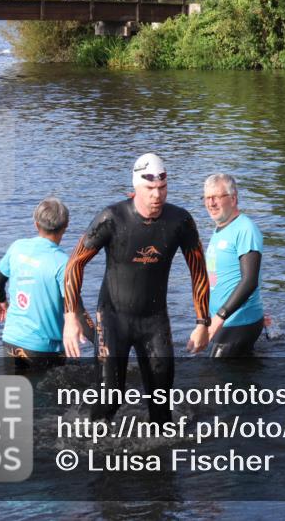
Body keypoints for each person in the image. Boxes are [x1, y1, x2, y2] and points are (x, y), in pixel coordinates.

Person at [63, 153, 211, 424]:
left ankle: (161, 464)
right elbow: (74, 265)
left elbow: (198, 270)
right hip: (112, 319)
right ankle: (90, 447)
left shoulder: (181, 222)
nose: (157, 196)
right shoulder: (112, 218)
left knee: (162, 408)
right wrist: (71, 316)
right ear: (135, 188)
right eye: (150, 189)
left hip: (154, 321)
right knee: (110, 400)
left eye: (162, 188)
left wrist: (203, 322)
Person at [0, 197, 88, 372]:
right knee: (47, 396)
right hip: (44, 349)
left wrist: (0, 299)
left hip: (11, 340)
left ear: (36, 225)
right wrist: (102, 343)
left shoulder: (17, 247)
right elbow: (77, 310)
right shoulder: (65, 264)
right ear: (66, 226)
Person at [200, 174, 265, 357]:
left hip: (239, 321)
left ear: (233, 198)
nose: (211, 203)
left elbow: (250, 280)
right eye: (207, 198)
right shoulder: (221, 229)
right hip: (225, 320)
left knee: (216, 377)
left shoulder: (245, 229)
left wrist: (220, 316)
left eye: (217, 197)